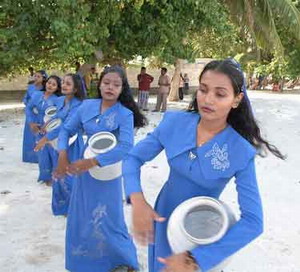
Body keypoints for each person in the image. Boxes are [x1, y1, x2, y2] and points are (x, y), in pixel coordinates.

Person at [123, 59, 285, 272]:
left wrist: (197, 258)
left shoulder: (240, 151)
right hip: (163, 218)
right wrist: (138, 200)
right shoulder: (174, 123)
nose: (208, 99)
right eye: (203, 89)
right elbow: (132, 158)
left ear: (236, 100)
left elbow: (253, 222)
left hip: (202, 233)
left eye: (220, 94)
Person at [55, 66, 147, 272]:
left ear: (122, 88)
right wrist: (62, 154)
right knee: (83, 215)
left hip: (108, 171)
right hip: (84, 171)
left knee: (111, 218)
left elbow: (125, 146)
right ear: (100, 84)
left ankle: (124, 261)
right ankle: (84, 262)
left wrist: (92, 162)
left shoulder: (124, 114)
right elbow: (66, 129)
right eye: (107, 82)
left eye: (116, 84)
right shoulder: (86, 106)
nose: (110, 87)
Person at [34, 74, 86, 215]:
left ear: (75, 89)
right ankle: (63, 207)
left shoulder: (78, 106)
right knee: (59, 175)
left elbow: (66, 126)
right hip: (60, 142)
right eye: (63, 82)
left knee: (70, 176)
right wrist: (47, 124)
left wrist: (45, 139)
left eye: (68, 84)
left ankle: (75, 209)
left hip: (73, 143)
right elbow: (56, 117)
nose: (63, 85)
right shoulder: (60, 100)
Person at [26, 75, 61, 184]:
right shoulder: (37, 94)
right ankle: (45, 176)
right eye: (49, 83)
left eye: (54, 84)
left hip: (50, 128)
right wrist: (31, 123)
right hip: (37, 127)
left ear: (57, 88)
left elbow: (59, 115)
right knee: (42, 152)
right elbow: (29, 108)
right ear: (46, 83)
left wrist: (49, 124)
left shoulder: (57, 99)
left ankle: (54, 176)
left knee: (52, 151)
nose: (50, 86)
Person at [22, 70, 48, 163]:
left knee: (40, 133)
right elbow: (25, 99)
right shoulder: (30, 87)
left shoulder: (46, 88)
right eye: (35, 76)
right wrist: (29, 105)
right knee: (30, 135)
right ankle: (29, 157)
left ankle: (40, 156)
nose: (36, 78)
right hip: (31, 114)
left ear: (43, 78)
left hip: (41, 114)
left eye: (38, 76)